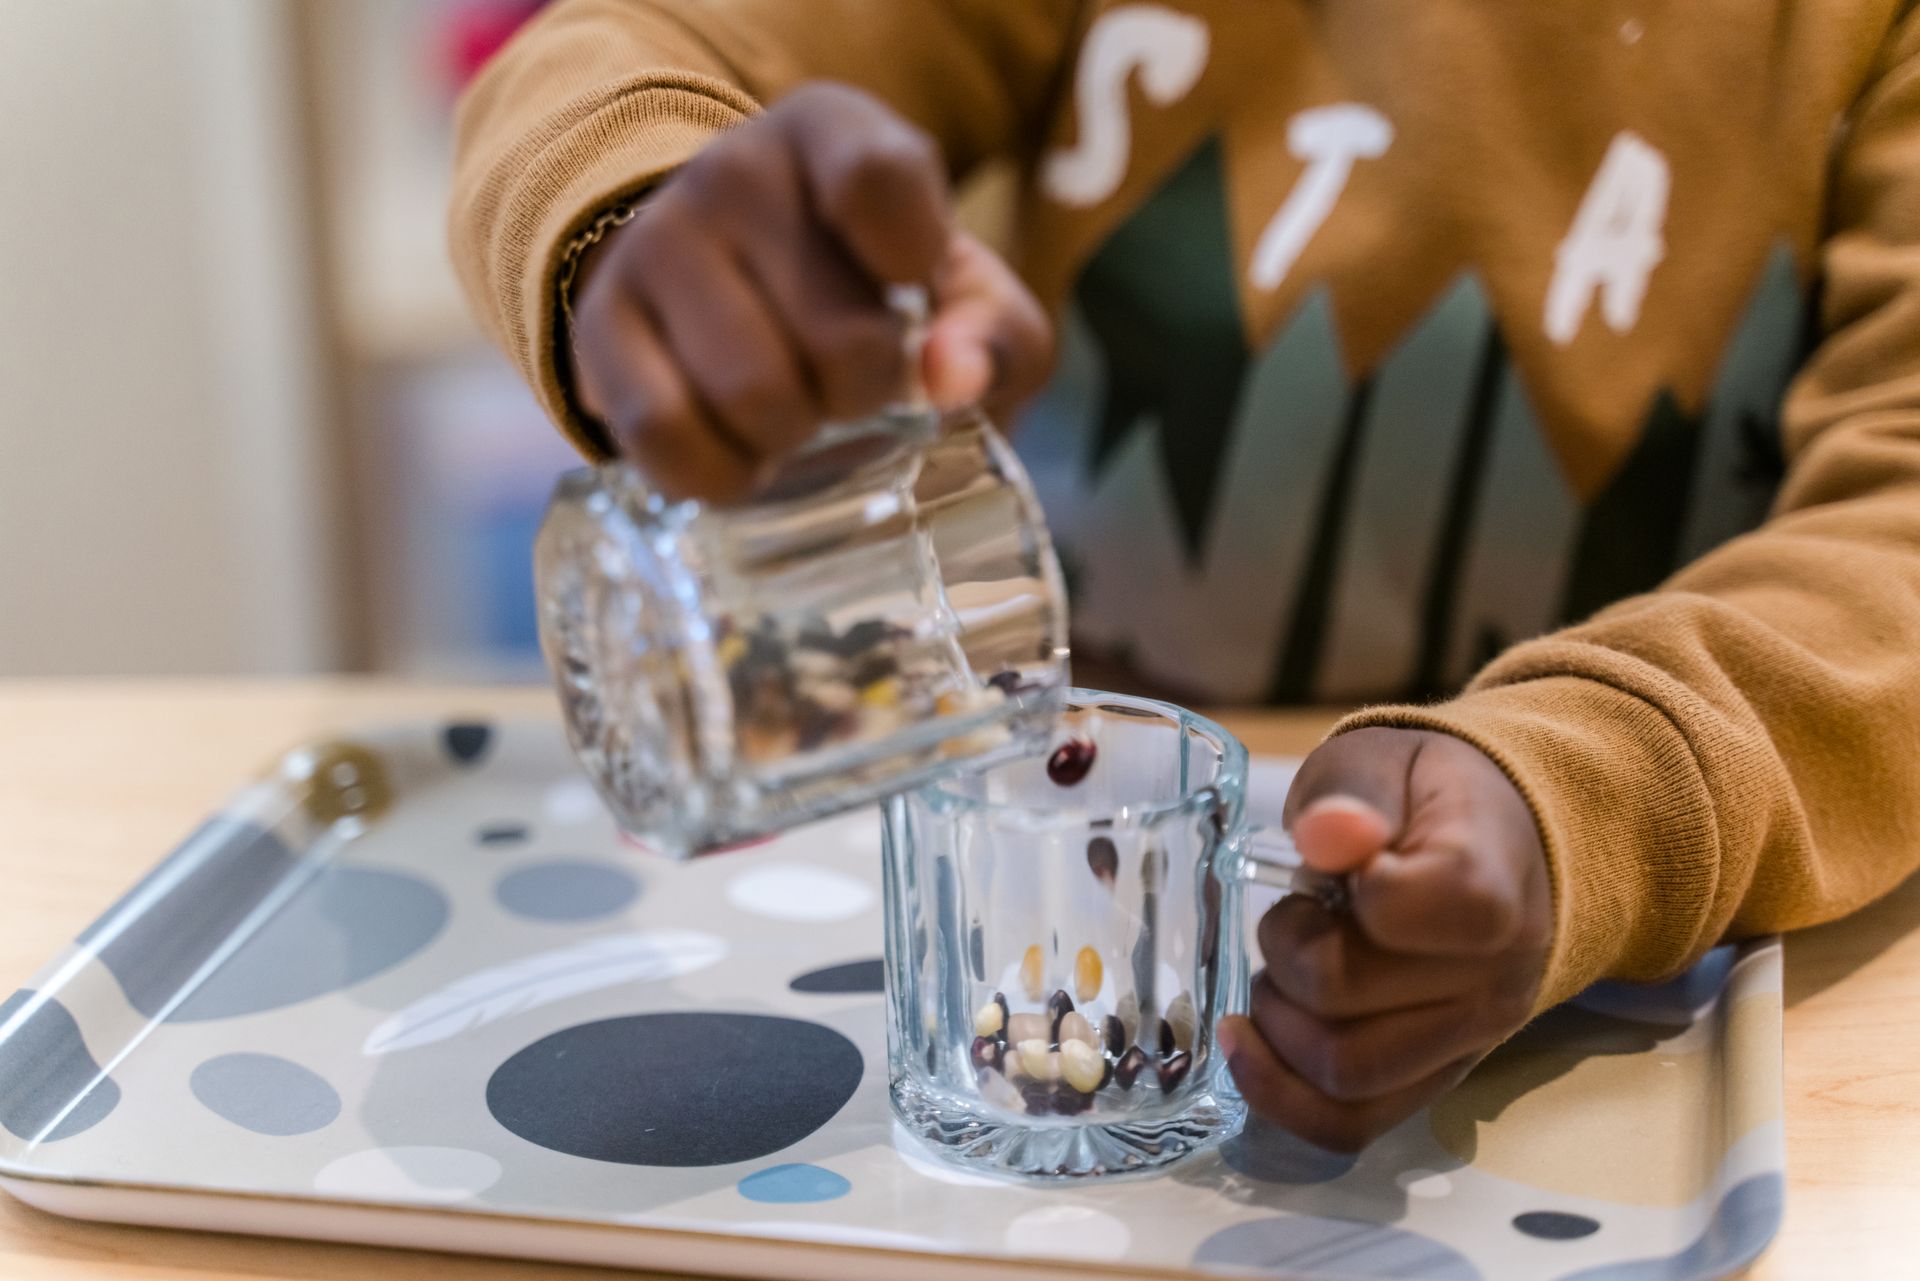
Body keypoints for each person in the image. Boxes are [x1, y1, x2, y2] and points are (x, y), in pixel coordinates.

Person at [450, 0, 1920, 1151]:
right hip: (1027, 862)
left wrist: (1591, 791)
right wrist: (653, 207)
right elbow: (618, 50)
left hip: (1615, 1007)